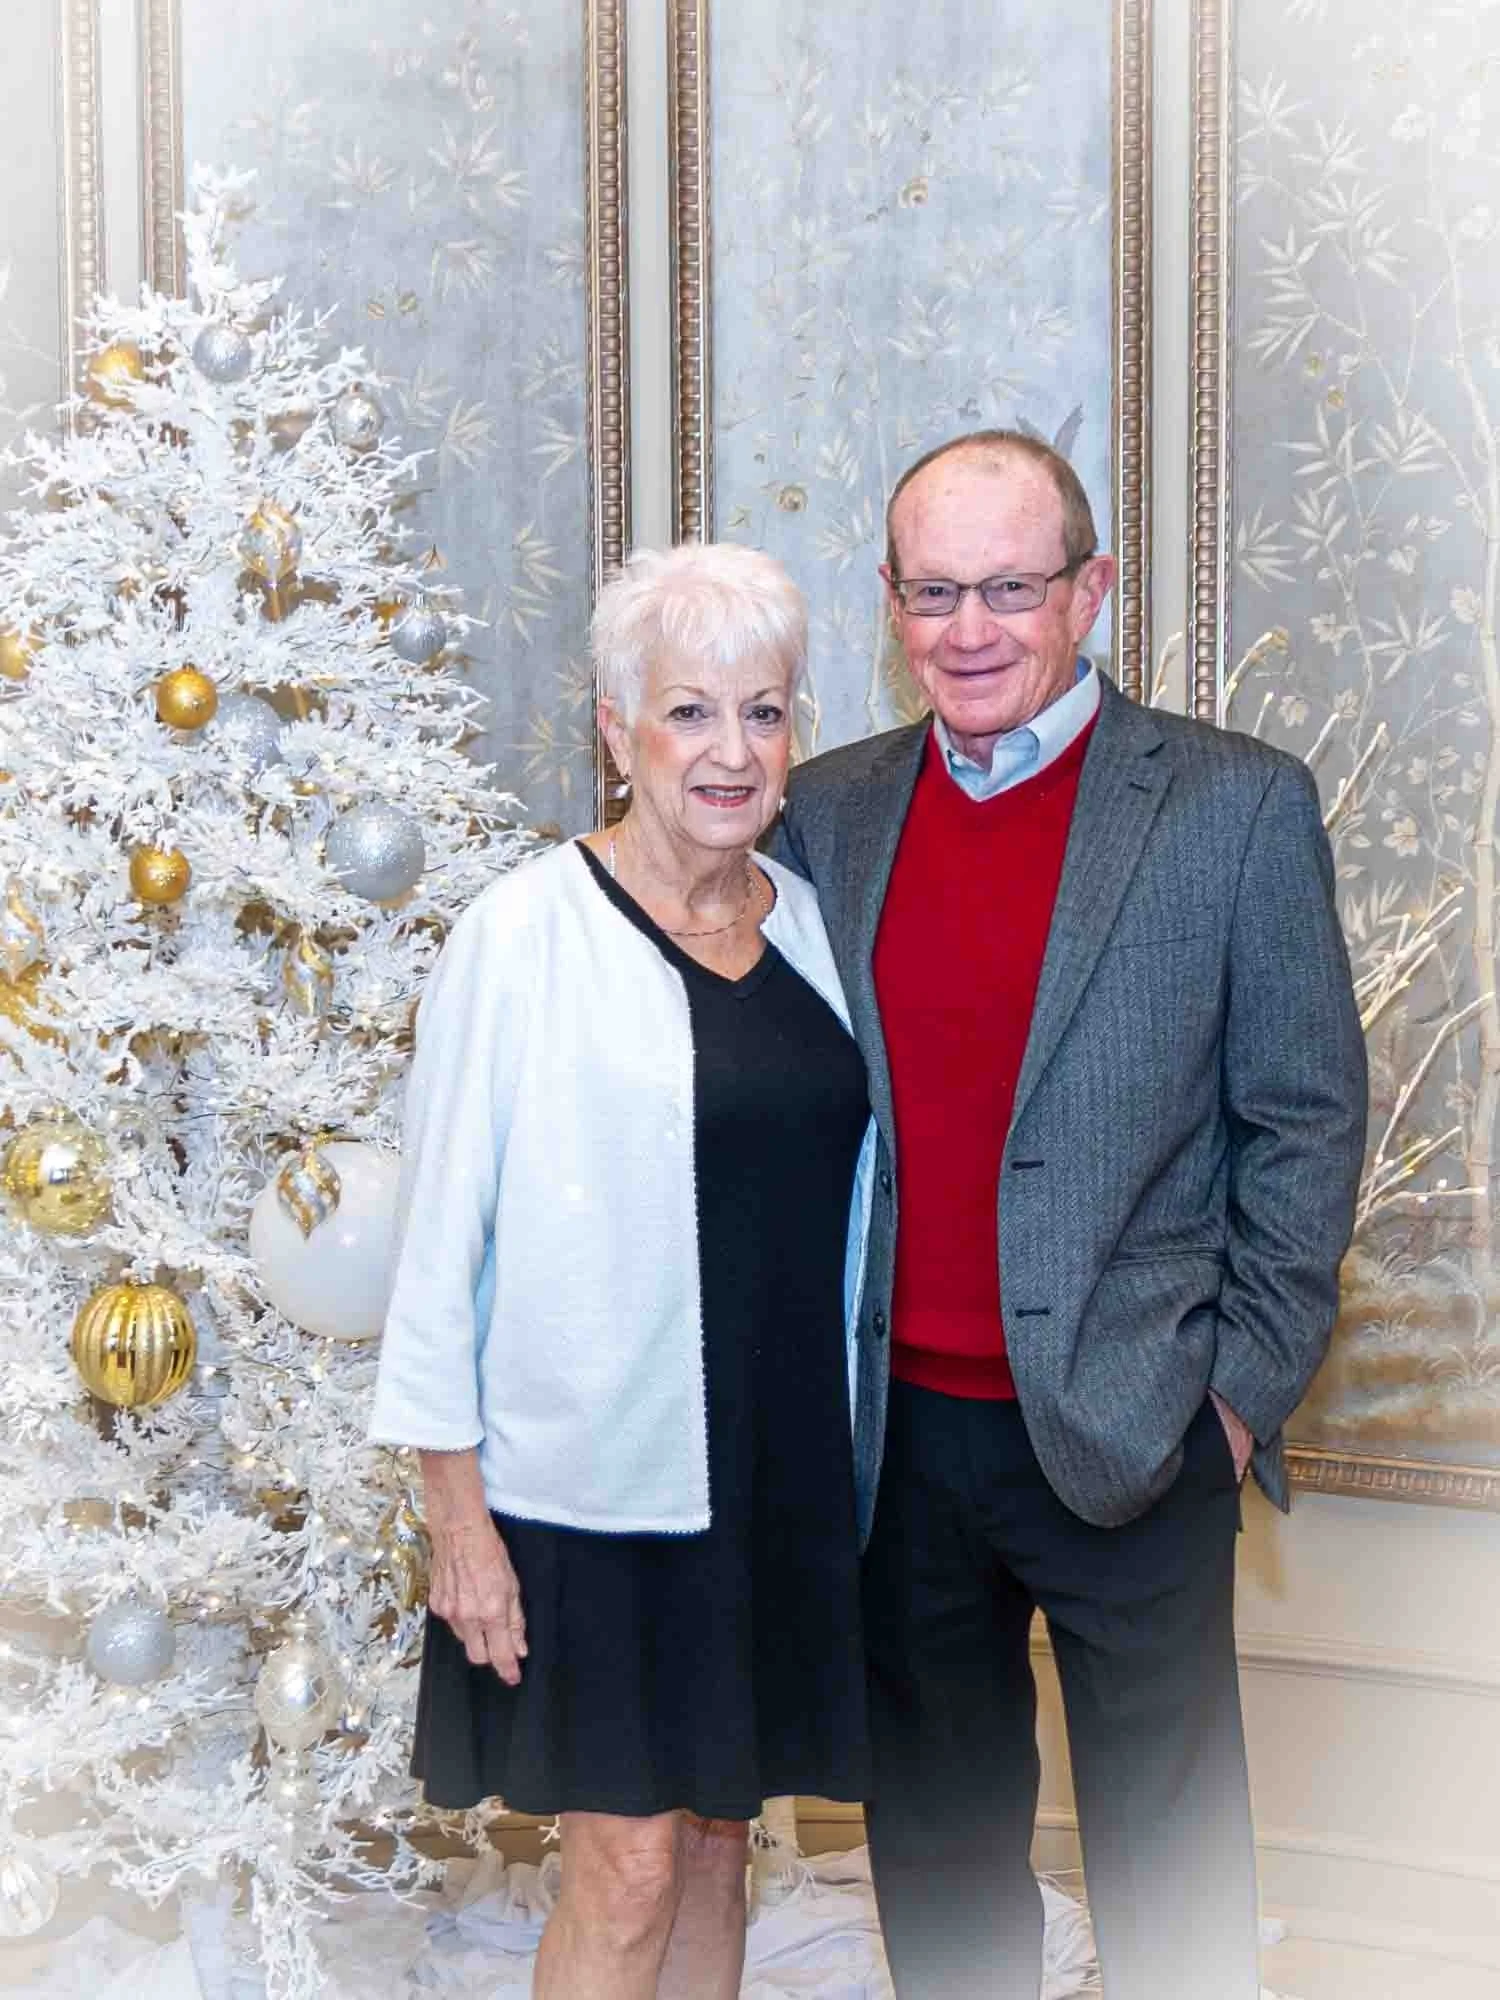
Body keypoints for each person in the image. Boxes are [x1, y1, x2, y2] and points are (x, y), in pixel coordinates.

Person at [769, 429, 1368, 2000]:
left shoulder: (1234, 807)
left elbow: (1303, 1123)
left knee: (1171, 1861)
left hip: (1136, 1422)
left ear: (1090, 590)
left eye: (1011, 589)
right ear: (892, 602)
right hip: (898, 1436)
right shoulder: (826, 813)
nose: (969, 630)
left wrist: (1234, 1402)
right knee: (942, 1848)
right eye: (933, 591)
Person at [370, 542, 876, 2000]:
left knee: (724, 1842)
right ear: (616, 729)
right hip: (594, 1495)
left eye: (766, 712)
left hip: (778, 1474)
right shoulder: (520, 938)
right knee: (631, 1859)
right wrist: (454, 1518)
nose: (733, 751)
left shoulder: (816, 923)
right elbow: (435, 1247)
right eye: (690, 712)